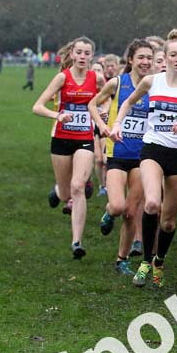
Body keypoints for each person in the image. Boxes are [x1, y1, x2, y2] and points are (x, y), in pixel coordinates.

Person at [110, 29, 177, 289]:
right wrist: (118, 123)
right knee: (152, 203)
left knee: (168, 221)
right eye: (173, 55)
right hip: (152, 149)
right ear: (164, 57)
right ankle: (145, 262)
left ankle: (159, 260)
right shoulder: (152, 82)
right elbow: (127, 102)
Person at [33, 37, 106, 258]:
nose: (82, 57)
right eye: (79, 52)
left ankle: (77, 242)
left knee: (77, 187)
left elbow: (108, 100)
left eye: (87, 53)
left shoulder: (97, 78)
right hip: (61, 139)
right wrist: (58, 115)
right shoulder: (62, 77)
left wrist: (102, 111)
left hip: (85, 138)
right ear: (72, 54)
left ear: (92, 56)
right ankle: (58, 191)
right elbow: (37, 106)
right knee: (66, 193)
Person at [89, 39, 153, 274]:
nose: (145, 62)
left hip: (143, 156)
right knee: (117, 206)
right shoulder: (117, 83)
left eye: (149, 58)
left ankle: (121, 259)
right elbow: (92, 105)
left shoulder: (155, 86)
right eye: (141, 57)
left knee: (130, 212)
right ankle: (108, 213)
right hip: (117, 153)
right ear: (131, 60)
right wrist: (102, 126)